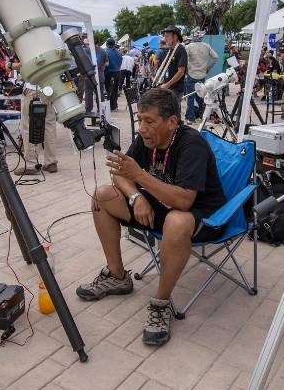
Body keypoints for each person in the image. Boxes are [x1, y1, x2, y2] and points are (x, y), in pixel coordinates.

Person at [77, 88, 226, 346]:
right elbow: (120, 174)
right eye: (139, 119)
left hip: (202, 216)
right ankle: (117, 276)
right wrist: (137, 198)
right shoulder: (147, 140)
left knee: (176, 220)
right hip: (158, 206)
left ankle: (161, 303)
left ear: (171, 122)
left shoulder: (191, 144)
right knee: (102, 196)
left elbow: (183, 201)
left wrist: (140, 176)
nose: (142, 128)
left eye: (149, 121)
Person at [11, 58, 58, 175]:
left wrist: (10, 65)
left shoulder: (29, 41)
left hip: (32, 89)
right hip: (49, 89)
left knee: (28, 127)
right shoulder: (55, 39)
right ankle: (51, 162)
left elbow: (28, 63)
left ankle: (31, 164)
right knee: (49, 126)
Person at [184, 33, 220, 123]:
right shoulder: (206, 46)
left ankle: (191, 118)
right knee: (201, 95)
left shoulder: (188, 47)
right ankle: (201, 115)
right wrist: (208, 67)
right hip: (202, 74)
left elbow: (184, 59)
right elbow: (215, 57)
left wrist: (187, 68)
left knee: (190, 97)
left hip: (191, 74)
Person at [154, 26, 187, 103]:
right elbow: (169, 69)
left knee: (173, 113)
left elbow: (181, 72)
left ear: (175, 36)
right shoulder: (170, 50)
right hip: (168, 88)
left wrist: (167, 84)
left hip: (175, 89)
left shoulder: (180, 50)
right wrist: (162, 81)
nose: (165, 39)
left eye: (167, 36)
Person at [104, 38, 122, 111]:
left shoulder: (106, 52)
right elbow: (120, 62)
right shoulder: (118, 52)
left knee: (109, 90)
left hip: (109, 73)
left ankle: (113, 106)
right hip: (118, 72)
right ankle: (115, 105)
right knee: (115, 89)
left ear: (107, 44)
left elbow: (106, 64)